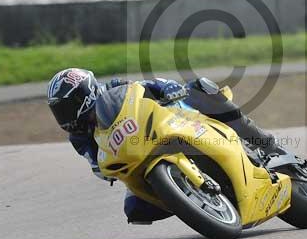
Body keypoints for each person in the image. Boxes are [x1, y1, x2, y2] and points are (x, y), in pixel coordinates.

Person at [46, 68, 288, 224]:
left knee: (201, 87)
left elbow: (146, 85)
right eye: (58, 111)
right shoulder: (78, 137)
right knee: (135, 210)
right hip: (139, 155)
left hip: (172, 119)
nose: (63, 116)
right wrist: (102, 168)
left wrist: (166, 87)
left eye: (65, 108)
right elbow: (95, 161)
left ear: (84, 96)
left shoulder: (113, 88)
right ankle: (191, 199)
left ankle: (266, 144)